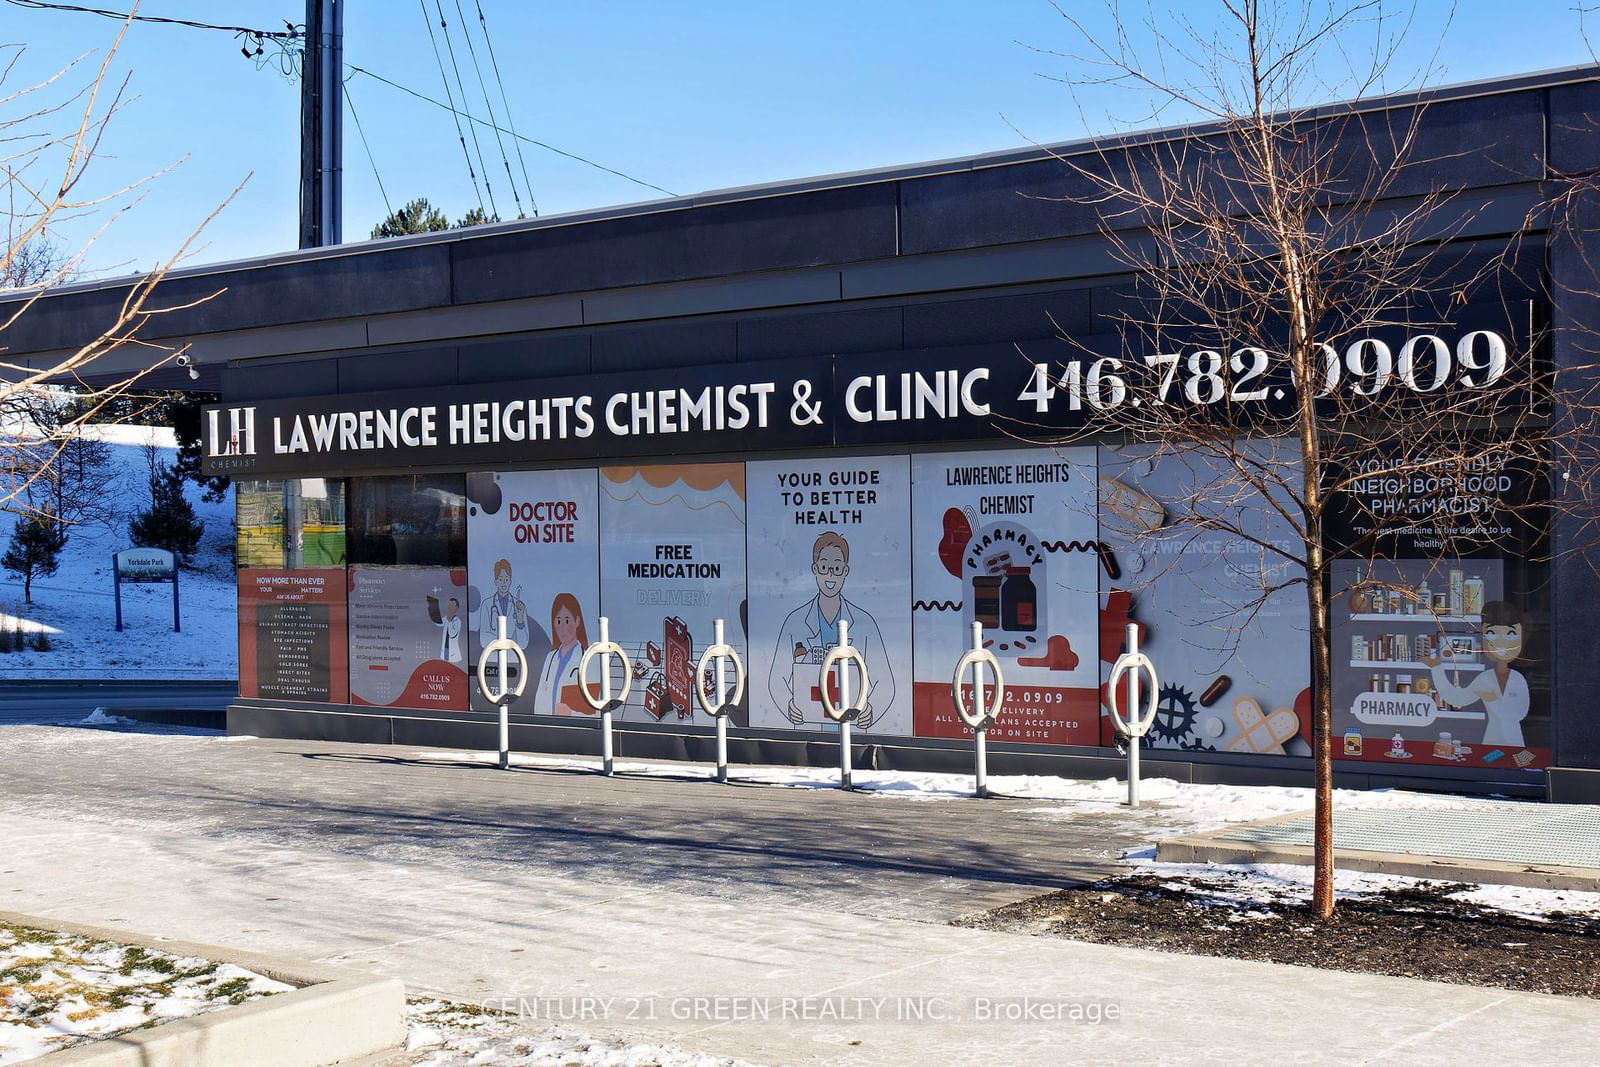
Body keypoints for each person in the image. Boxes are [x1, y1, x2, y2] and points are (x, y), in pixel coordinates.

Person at [767, 531, 893, 730]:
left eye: (836, 568)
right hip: (808, 731)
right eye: (825, 567)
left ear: (845, 570)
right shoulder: (795, 622)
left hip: (853, 733)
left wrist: (871, 708)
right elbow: (776, 680)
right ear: (815, 569)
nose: (831, 574)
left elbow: (885, 682)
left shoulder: (864, 623)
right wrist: (788, 705)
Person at [1422, 599, 1531, 747]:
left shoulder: (1518, 679)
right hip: (1492, 739)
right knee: (1491, 763)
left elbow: (1519, 714)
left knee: (1516, 764)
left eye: (1511, 634)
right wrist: (1436, 669)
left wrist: (1492, 699)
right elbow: (1457, 698)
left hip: (1515, 741)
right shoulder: (1486, 678)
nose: (1501, 642)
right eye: (1492, 634)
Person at [533, 593, 589, 717]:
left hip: (575, 730)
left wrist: (571, 714)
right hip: (549, 729)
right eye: (558, 621)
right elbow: (539, 701)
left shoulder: (588, 659)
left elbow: (595, 709)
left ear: (577, 621)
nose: (562, 627)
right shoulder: (550, 658)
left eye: (567, 620)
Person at [481, 558, 529, 650]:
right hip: (493, 660)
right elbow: (483, 641)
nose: (504, 583)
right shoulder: (487, 605)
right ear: (495, 582)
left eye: (506, 579)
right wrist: (510, 641)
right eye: (501, 579)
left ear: (510, 581)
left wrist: (519, 621)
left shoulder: (519, 607)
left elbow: (523, 643)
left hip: (514, 660)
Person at [436, 596, 464, 665]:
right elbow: (437, 622)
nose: (449, 607)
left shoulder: (457, 621)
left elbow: (452, 634)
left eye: (452, 605)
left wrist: (449, 620)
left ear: (456, 608)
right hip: (444, 649)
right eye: (449, 604)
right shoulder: (446, 618)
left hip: (453, 653)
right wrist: (433, 607)